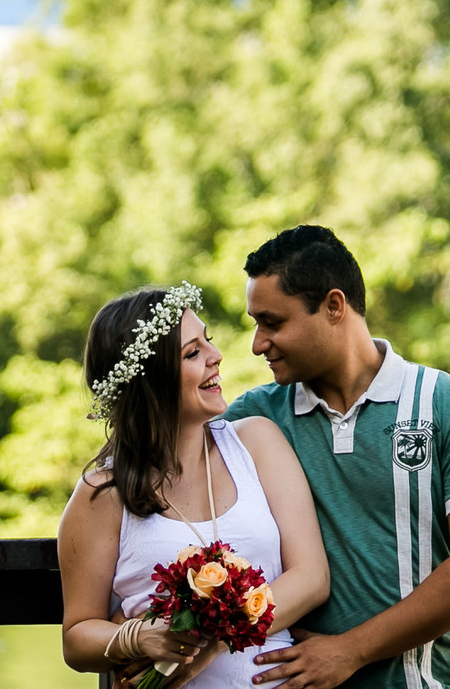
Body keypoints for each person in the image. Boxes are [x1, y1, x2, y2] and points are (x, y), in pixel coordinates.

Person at [221, 225, 450, 689]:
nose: (258, 343)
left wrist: (349, 651)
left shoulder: (448, 403)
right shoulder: (252, 418)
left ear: (334, 306)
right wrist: (134, 636)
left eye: (273, 323)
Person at [58, 282, 330, 687]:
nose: (216, 356)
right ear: (152, 380)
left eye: (209, 340)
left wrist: (212, 643)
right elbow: (77, 638)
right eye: (192, 353)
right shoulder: (102, 493)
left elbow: (311, 578)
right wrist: (137, 637)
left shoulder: (257, 443)